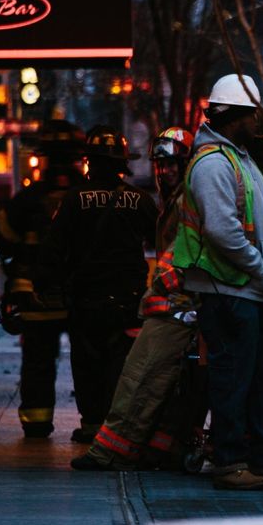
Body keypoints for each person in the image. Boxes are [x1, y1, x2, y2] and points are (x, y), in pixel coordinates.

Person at [170, 75, 263, 491]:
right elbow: (222, 231)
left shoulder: (239, 158)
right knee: (234, 380)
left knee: (261, 380)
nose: (259, 121)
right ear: (237, 116)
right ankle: (231, 463)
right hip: (230, 290)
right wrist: (262, 269)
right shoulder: (214, 164)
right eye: (253, 113)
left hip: (249, 291)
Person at [72, 126, 203, 471]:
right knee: (166, 387)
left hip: (175, 309)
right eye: (161, 165)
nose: (165, 171)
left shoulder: (187, 200)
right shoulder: (166, 202)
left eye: (172, 164)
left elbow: (180, 256)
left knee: (138, 377)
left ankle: (109, 452)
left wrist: (157, 290)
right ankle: (155, 451)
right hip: (177, 309)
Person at [50, 125, 157, 444]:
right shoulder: (140, 201)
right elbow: (161, 240)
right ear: (122, 163)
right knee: (121, 364)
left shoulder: (74, 199)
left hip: (86, 298)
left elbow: (55, 247)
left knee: (87, 363)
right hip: (128, 299)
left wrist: (50, 285)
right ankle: (116, 425)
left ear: (90, 162)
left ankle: (92, 423)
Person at [0, 119, 84, 438]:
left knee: (38, 362)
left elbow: (3, 238)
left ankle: (36, 421)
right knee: (88, 361)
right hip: (80, 297)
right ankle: (93, 422)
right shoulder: (88, 196)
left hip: (35, 296)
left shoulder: (29, 199)